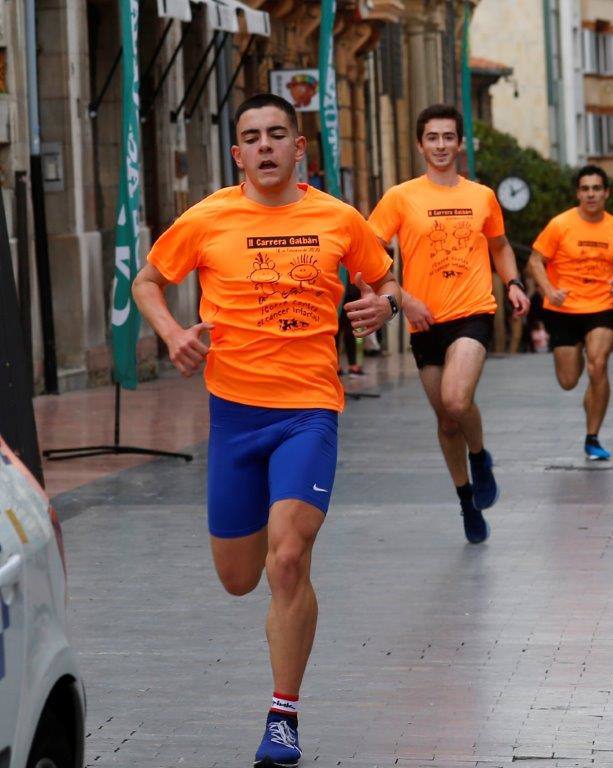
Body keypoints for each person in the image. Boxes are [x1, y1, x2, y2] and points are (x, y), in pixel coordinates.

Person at [131, 93, 401, 768]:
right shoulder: (209, 217)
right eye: (251, 137)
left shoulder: (337, 218)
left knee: (288, 558)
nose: (265, 146)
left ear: (298, 145)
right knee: (238, 576)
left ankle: (283, 716)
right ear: (237, 153)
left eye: (277, 134)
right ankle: (282, 662)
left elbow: (387, 280)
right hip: (234, 419)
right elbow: (147, 281)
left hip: (309, 410)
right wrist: (172, 335)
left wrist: (382, 306)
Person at [368, 104, 529, 544]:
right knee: (445, 422)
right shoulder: (401, 197)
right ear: (421, 145)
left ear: (461, 144)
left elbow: (499, 246)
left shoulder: (482, 196)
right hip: (424, 322)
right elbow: (366, 255)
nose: (441, 146)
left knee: (457, 402)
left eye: (448, 138)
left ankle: (480, 458)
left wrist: (512, 282)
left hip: (473, 312)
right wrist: (402, 298)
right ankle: (465, 501)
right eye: (432, 138)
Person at [528, 165, 613, 461]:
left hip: (600, 306)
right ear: (578, 193)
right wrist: (548, 290)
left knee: (598, 366)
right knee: (568, 381)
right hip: (563, 308)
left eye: (596, 188)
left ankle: (592, 437)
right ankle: (591, 400)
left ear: (606, 193)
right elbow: (535, 261)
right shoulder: (559, 225)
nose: (591, 194)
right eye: (585, 189)